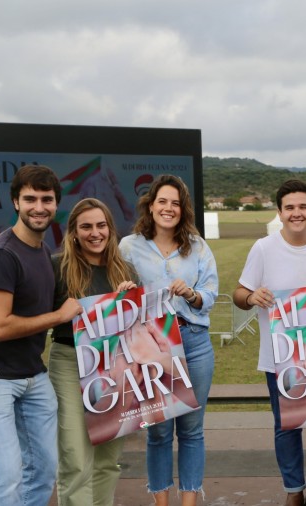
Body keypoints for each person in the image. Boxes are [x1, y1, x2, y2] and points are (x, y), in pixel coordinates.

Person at [0, 165, 83, 506]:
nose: (38, 207)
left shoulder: (42, 251)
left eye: (47, 199)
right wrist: (59, 316)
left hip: (32, 375)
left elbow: (62, 306)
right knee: (7, 476)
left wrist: (119, 298)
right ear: (16, 202)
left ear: (57, 204)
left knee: (44, 469)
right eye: (30, 199)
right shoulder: (1, 254)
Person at [233, 179, 306, 506]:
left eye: (303, 207)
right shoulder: (263, 248)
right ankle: (293, 490)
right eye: (290, 208)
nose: (296, 213)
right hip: (280, 357)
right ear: (280, 212)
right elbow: (239, 293)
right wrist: (251, 296)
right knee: (287, 426)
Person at [119, 174, 218, 506]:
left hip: (193, 341)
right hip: (150, 345)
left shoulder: (198, 246)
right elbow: (117, 293)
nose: (168, 208)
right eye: (162, 201)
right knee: (158, 430)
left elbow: (211, 295)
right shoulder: (129, 246)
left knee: (191, 430)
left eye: (175, 203)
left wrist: (191, 293)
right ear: (150, 204)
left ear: (183, 209)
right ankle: (161, 502)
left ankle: (188, 502)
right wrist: (124, 292)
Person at [49, 198, 138, 506]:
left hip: (114, 366)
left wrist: (131, 302)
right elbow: (42, 319)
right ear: (73, 232)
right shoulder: (56, 266)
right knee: (75, 455)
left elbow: (139, 332)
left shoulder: (124, 270)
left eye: (101, 225)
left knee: (108, 457)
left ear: (110, 230)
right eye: (86, 226)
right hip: (69, 363)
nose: (95, 233)